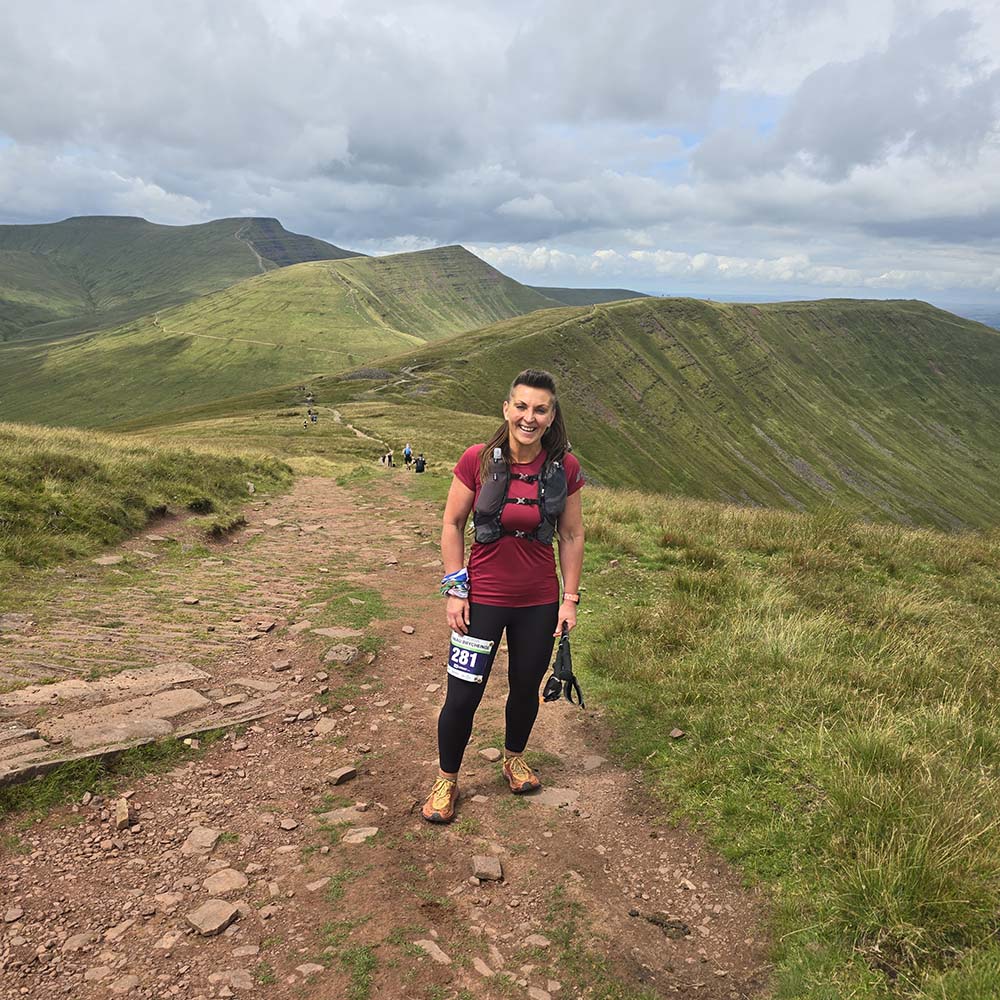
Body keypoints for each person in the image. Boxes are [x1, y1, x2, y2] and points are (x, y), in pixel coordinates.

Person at [422, 369, 585, 823]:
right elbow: (452, 525)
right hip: (484, 600)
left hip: (538, 602)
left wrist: (569, 599)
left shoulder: (564, 468)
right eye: (522, 407)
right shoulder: (477, 459)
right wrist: (456, 590)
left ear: (552, 416)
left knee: (524, 688)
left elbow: (571, 535)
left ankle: (514, 758)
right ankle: (447, 779)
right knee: (462, 696)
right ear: (507, 409)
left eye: (540, 409)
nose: (529, 417)